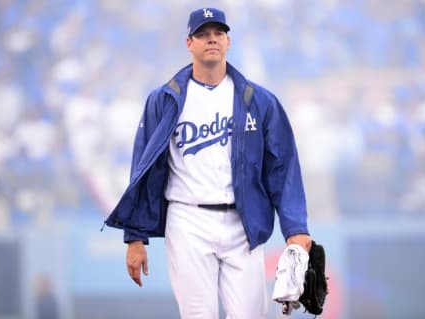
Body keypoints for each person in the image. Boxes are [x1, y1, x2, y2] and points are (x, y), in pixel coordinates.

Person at [104, 7, 312, 319]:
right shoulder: (165, 99)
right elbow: (143, 168)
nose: (211, 39)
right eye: (202, 34)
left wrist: (295, 227)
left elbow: (283, 166)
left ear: (228, 41)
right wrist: (135, 237)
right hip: (188, 218)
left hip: (244, 221)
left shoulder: (258, 100)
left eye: (218, 33)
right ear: (189, 42)